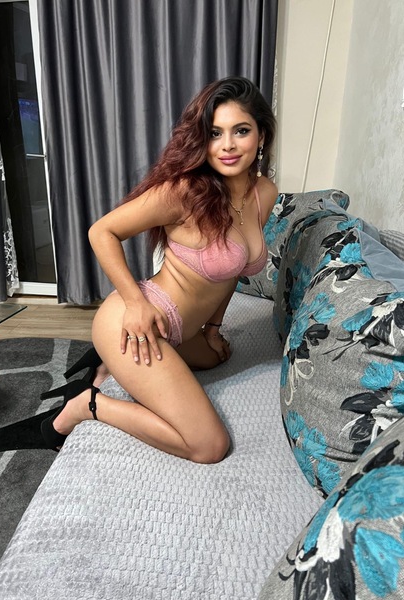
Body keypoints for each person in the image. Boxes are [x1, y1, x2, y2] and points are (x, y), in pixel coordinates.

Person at [40, 76, 278, 463]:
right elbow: (102, 231)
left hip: (185, 332)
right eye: (215, 133)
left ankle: (108, 364)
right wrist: (135, 304)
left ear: (261, 135)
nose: (228, 145)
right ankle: (88, 404)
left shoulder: (262, 193)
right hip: (140, 317)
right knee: (208, 445)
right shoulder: (185, 192)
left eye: (241, 131)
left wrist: (213, 328)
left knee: (219, 357)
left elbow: (232, 270)